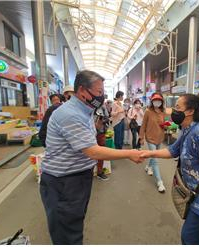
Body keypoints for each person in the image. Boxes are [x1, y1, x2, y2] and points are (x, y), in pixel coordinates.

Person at [39, 70, 144, 245]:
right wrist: (130, 153)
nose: (102, 96)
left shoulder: (85, 109)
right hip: (63, 183)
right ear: (82, 90)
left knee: (74, 223)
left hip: (76, 178)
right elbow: (93, 151)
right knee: (68, 234)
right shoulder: (70, 114)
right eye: (99, 92)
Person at [141, 94, 199, 245]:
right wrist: (148, 153)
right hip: (195, 196)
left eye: (177, 107)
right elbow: (172, 150)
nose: (174, 111)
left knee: (189, 237)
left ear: (190, 111)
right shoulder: (188, 129)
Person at [139, 92, 166, 193]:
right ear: (152, 101)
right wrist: (141, 137)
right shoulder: (148, 112)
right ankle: (160, 182)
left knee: (154, 155)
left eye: (159, 101)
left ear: (162, 102)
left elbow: (163, 124)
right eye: (155, 100)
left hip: (160, 137)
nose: (157, 102)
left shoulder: (162, 112)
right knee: (155, 159)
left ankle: (148, 167)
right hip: (150, 138)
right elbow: (143, 125)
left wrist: (165, 126)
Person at [94, 105, 110, 180]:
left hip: (100, 133)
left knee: (101, 153)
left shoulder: (102, 107)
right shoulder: (84, 106)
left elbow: (107, 118)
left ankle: (99, 172)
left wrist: (101, 120)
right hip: (88, 134)